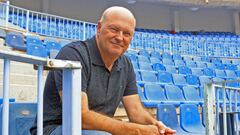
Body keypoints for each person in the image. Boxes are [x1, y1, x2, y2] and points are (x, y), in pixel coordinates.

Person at [30, 6, 176, 135]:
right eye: (114, 29)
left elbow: (136, 111)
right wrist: (136, 130)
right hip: (54, 129)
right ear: (99, 28)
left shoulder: (126, 64)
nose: (120, 37)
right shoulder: (73, 54)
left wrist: (155, 126)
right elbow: (79, 116)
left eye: (127, 33)